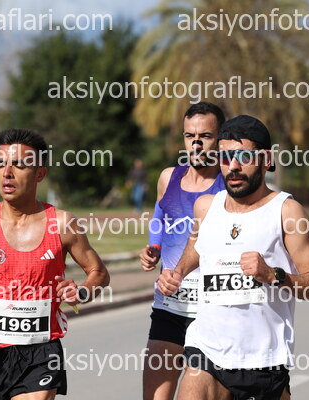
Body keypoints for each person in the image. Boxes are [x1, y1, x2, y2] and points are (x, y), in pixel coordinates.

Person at [158, 115, 309, 400]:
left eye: (244, 157)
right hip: (207, 351)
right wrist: (177, 272)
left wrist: (273, 275)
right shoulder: (206, 207)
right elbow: (196, 246)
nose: (233, 166)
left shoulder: (287, 212)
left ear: (266, 159)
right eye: (225, 157)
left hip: (264, 361)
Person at [0, 128, 110, 400]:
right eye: (1, 164)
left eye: (19, 165)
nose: (7, 173)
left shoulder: (62, 223)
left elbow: (99, 272)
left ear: (39, 174)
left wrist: (81, 292)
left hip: (41, 351)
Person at [139, 102, 226, 400]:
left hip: (212, 312)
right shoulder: (169, 177)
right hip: (170, 306)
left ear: (220, 139)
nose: (196, 143)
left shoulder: (229, 185)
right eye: (190, 136)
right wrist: (154, 247)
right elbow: (160, 216)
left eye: (205, 136)